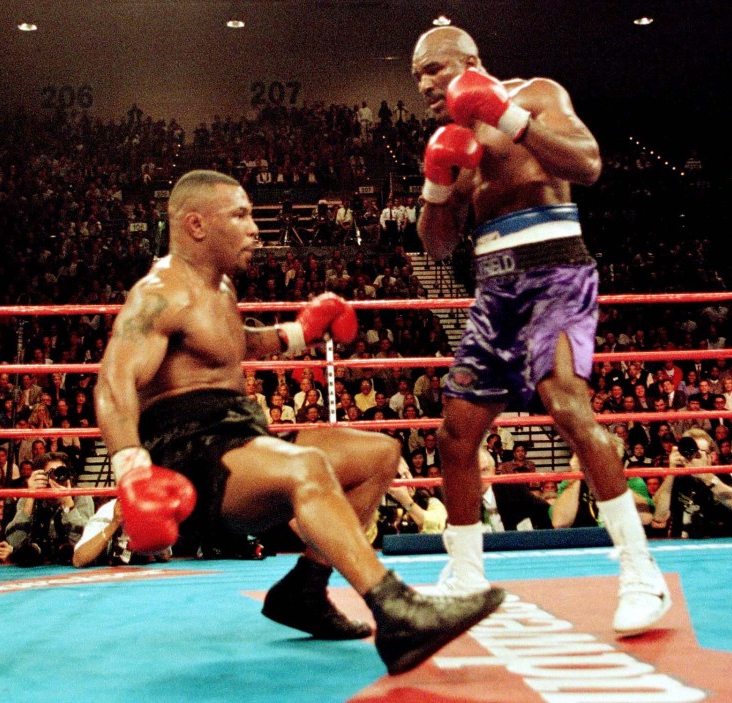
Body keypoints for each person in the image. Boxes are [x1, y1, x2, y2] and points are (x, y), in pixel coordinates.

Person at [93, 170, 504, 676]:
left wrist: (299, 332)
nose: (254, 229)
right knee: (308, 466)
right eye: (240, 215)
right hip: (192, 459)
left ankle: (304, 591)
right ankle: (397, 611)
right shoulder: (158, 293)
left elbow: (232, 342)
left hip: (241, 434)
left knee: (377, 455)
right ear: (196, 224)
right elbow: (113, 383)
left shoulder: (215, 288)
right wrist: (133, 470)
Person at [411, 25, 669, 635]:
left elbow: (588, 164)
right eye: (417, 75)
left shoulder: (537, 95)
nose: (423, 83)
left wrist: (508, 117)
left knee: (567, 406)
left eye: (433, 69)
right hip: (494, 286)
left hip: (555, 270)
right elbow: (438, 245)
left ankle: (640, 574)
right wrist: (436, 185)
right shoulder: (449, 136)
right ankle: (468, 575)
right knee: (454, 434)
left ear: (470, 62)